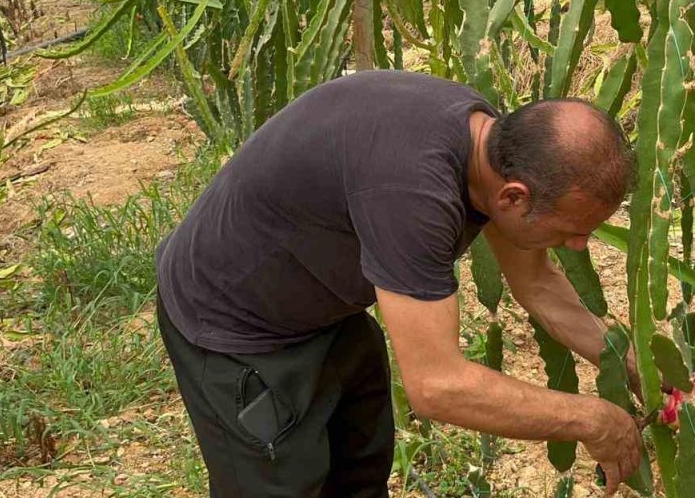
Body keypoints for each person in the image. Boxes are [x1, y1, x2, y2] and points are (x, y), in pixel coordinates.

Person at [154, 70, 644, 497]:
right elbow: (436, 385)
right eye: (571, 230)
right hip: (234, 326)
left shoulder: (494, 146)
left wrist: (627, 361)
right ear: (514, 198)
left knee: (359, 474)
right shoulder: (413, 193)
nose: (579, 245)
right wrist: (592, 420)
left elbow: (536, 283)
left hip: (321, 308)